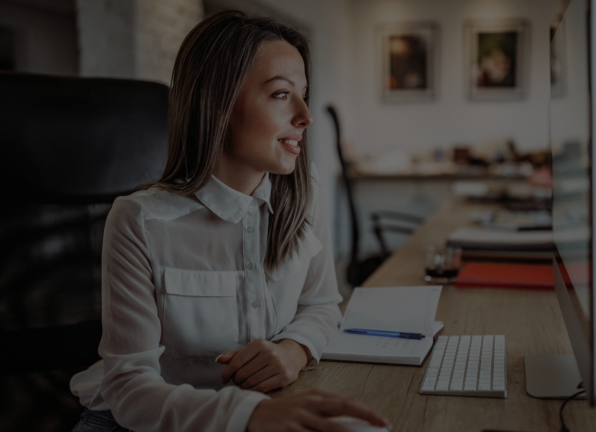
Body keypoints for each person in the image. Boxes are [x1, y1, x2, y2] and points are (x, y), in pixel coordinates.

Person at [69, 10, 388, 432]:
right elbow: (130, 390)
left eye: (304, 95)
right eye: (280, 94)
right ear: (217, 103)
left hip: (266, 410)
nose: (305, 116)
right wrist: (250, 414)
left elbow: (321, 304)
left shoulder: (305, 194)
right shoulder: (139, 221)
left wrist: (294, 349)